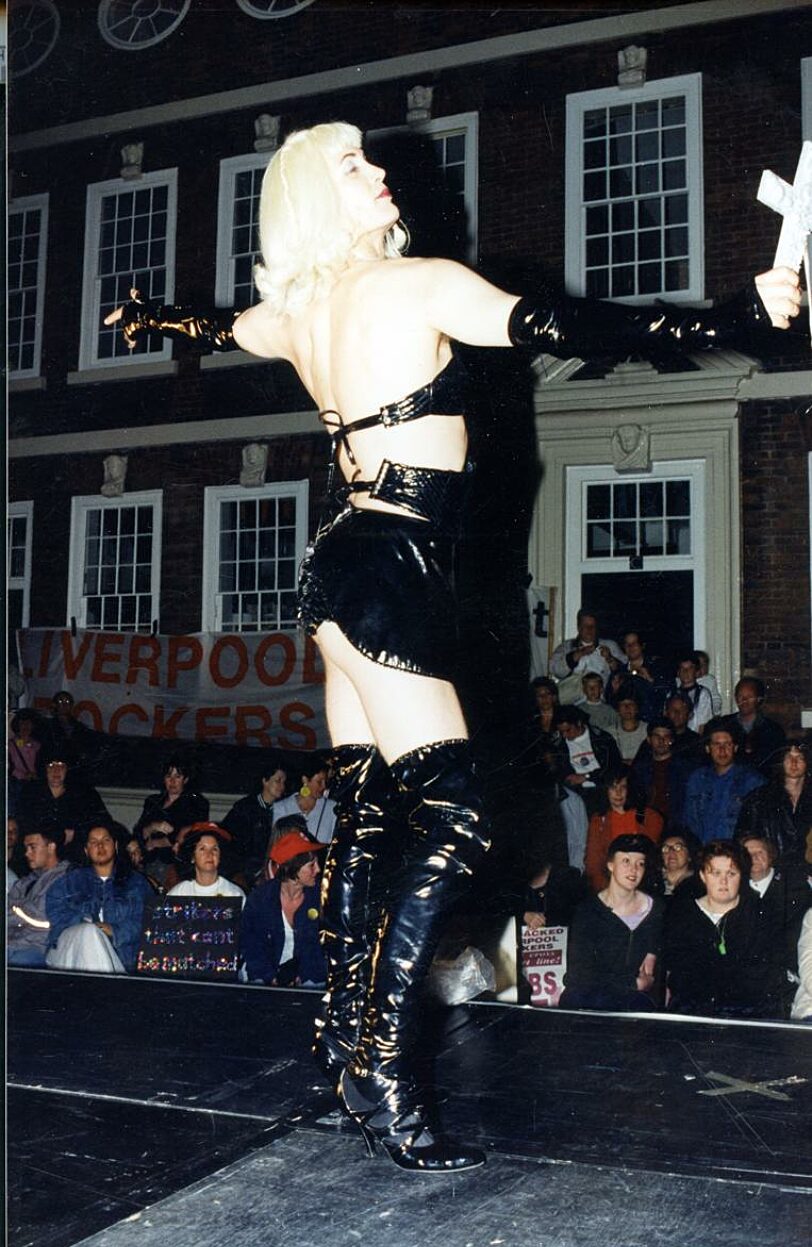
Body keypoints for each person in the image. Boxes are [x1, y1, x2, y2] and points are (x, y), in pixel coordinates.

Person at [107, 118, 799, 1170]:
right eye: (353, 166)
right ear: (311, 199)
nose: (379, 172)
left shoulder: (297, 313)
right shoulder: (418, 285)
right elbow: (568, 325)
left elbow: (216, 325)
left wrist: (151, 314)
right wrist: (731, 317)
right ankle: (381, 1052)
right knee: (459, 807)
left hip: (339, 565)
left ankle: (341, 1038)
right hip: (393, 568)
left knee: (372, 809)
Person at [664, 839, 784, 1019]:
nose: (723, 881)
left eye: (731, 873)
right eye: (715, 873)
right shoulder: (683, 916)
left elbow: (761, 979)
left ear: (741, 876)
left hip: (744, 1014)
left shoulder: (760, 916)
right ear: (703, 876)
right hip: (692, 1013)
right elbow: (679, 976)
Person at [559, 834, 664, 1012]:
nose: (634, 869)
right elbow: (579, 975)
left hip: (635, 1001)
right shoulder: (587, 911)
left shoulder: (656, 909)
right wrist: (631, 983)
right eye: (626, 861)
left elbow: (653, 971)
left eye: (640, 863)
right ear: (610, 865)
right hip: (592, 998)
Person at [45, 822, 155, 973]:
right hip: (70, 951)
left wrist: (115, 931)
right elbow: (56, 914)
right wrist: (87, 923)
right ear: (86, 850)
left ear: (115, 846)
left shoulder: (136, 883)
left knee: (91, 935)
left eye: (106, 840)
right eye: (93, 842)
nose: (100, 846)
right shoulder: (69, 881)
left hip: (122, 958)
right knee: (89, 932)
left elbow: (148, 922)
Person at [240, 828, 326, 987]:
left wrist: (305, 975)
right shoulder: (261, 898)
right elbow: (251, 943)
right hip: (266, 973)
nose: (318, 869)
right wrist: (270, 977)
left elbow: (321, 949)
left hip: (308, 975)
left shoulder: (320, 897)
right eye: (312, 865)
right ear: (293, 868)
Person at [739, 833, 810, 1015]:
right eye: (748, 852)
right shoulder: (734, 891)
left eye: (760, 852)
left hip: (783, 978)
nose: (754, 857)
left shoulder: (796, 889)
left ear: (771, 856)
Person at [583, 767, 663, 893]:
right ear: (605, 790)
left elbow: (651, 861)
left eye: (623, 787)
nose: (618, 792)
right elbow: (593, 862)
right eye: (613, 787)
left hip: (643, 886)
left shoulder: (650, 817)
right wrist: (606, 892)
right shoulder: (598, 820)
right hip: (609, 887)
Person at [683, 719, 765, 842]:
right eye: (716, 744)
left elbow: (758, 826)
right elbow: (690, 822)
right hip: (703, 852)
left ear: (735, 748)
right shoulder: (697, 779)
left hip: (736, 853)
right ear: (707, 748)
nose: (722, 750)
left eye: (728, 744)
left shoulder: (752, 781)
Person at [735, 742, 812, 869]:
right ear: (781, 762)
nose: (794, 763)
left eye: (800, 758)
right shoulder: (759, 798)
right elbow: (744, 838)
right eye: (789, 758)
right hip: (770, 870)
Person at [19, 751, 110, 856]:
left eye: (61, 766)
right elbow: (25, 825)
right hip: (37, 855)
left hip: (73, 855)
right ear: (44, 769)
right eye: (51, 765)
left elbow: (100, 821)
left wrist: (75, 834)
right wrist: (61, 835)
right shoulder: (30, 793)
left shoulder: (84, 794)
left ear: (68, 769)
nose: (56, 770)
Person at [7, 823, 71, 966]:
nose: (27, 853)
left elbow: (43, 919)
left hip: (37, 950)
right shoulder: (25, 882)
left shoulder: (66, 878)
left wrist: (15, 910)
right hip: (12, 945)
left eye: (33, 847)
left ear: (51, 847)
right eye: (26, 848)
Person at [221, 761, 288, 882]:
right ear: (265, 781)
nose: (282, 786)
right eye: (278, 781)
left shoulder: (284, 810)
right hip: (244, 872)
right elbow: (228, 839)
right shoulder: (244, 807)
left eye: (284, 782)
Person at [133, 756, 210, 858]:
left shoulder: (197, 802)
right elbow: (138, 831)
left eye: (177, 776)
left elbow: (194, 833)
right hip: (147, 857)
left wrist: (158, 842)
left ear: (185, 780)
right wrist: (152, 826)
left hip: (175, 859)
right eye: (168, 776)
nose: (172, 781)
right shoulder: (152, 801)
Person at [630, 717, 692, 826]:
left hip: (675, 825)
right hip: (647, 824)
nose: (661, 741)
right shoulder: (640, 769)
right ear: (649, 740)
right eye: (656, 736)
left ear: (672, 740)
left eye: (666, 737)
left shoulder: (684, 769)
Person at [167, 824, 246, 900]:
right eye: (202, 849)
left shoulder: (235, 894)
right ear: (192, 857)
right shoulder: (178, 894)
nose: (209, 854)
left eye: (214, 849)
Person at [271, 756, 336, 844]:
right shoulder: (279, 808)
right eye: (319, 782)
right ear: (305, 780)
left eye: (326, 782)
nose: (324, 786)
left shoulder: (332, 808)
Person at [549, 609, 623, 685]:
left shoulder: (610, 646)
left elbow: (625, 670)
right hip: (573, 696)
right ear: (578, 628)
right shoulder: (566, 647)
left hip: (600, 696)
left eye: (592, 626)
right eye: (585, 626)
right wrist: (576, 655)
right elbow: (555, 671)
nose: (589, 629)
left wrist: (610, 658)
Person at [654, 827, 703, 904]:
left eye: (678, 847)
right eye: (666, 848)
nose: (671, 851)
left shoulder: (699, 885)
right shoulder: (653, 881)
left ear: (689, 855)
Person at [7, 708, 42, 817]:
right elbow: (9, 765)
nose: (25, 726)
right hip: (17, 784)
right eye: (22, 723)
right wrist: (23, 775)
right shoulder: (11, 744)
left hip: (33, 784)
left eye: (28, 723)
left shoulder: (37, 745)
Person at [673, 653, 714, 734]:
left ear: (697, 672)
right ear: (678, 672)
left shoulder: (703, 694)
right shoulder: (671, 694)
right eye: (682, 668)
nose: (686, 672)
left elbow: (703, 724)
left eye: (690, 668)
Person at [609, 691, 649, 764]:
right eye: (623, 704)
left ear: (637, 708)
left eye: (631, 704)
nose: (627, 708)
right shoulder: (609, 732)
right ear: (617, 709)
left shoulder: (647, 730)